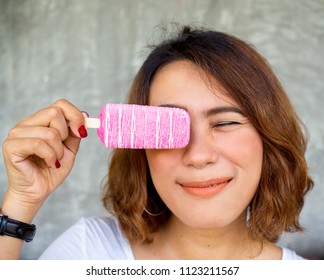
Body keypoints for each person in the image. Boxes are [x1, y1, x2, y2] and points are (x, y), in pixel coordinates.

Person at [0, 25, 314, 260]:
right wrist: (22, 201)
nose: (199, 155)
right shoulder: (88, 251)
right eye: (173, 127)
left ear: (268, 139)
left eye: (226, 122)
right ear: (142, 148)